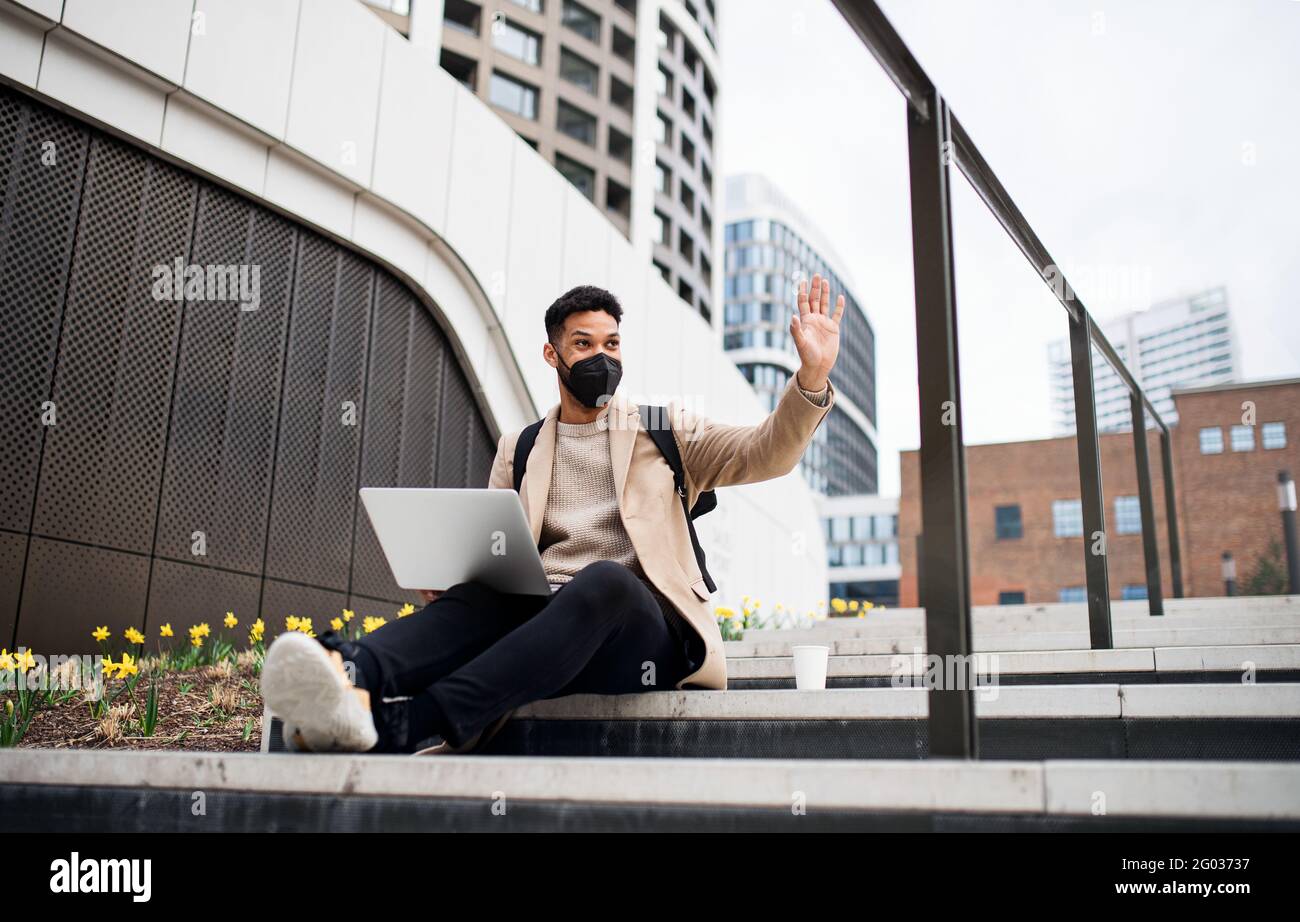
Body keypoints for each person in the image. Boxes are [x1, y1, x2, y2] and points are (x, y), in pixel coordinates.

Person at [261, 277, 844, 754]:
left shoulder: (666, 429)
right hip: (549, 631)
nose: (601, 357)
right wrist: (457, 580)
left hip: (641, 637)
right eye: (584, 344)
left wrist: (811, 378)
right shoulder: (521, 446)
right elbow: (500, 550)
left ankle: (407, 727)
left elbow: (765, 452)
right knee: (485, 596)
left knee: (606, 583)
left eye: (612, 344)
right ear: (553, 354)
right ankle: (349, 678)